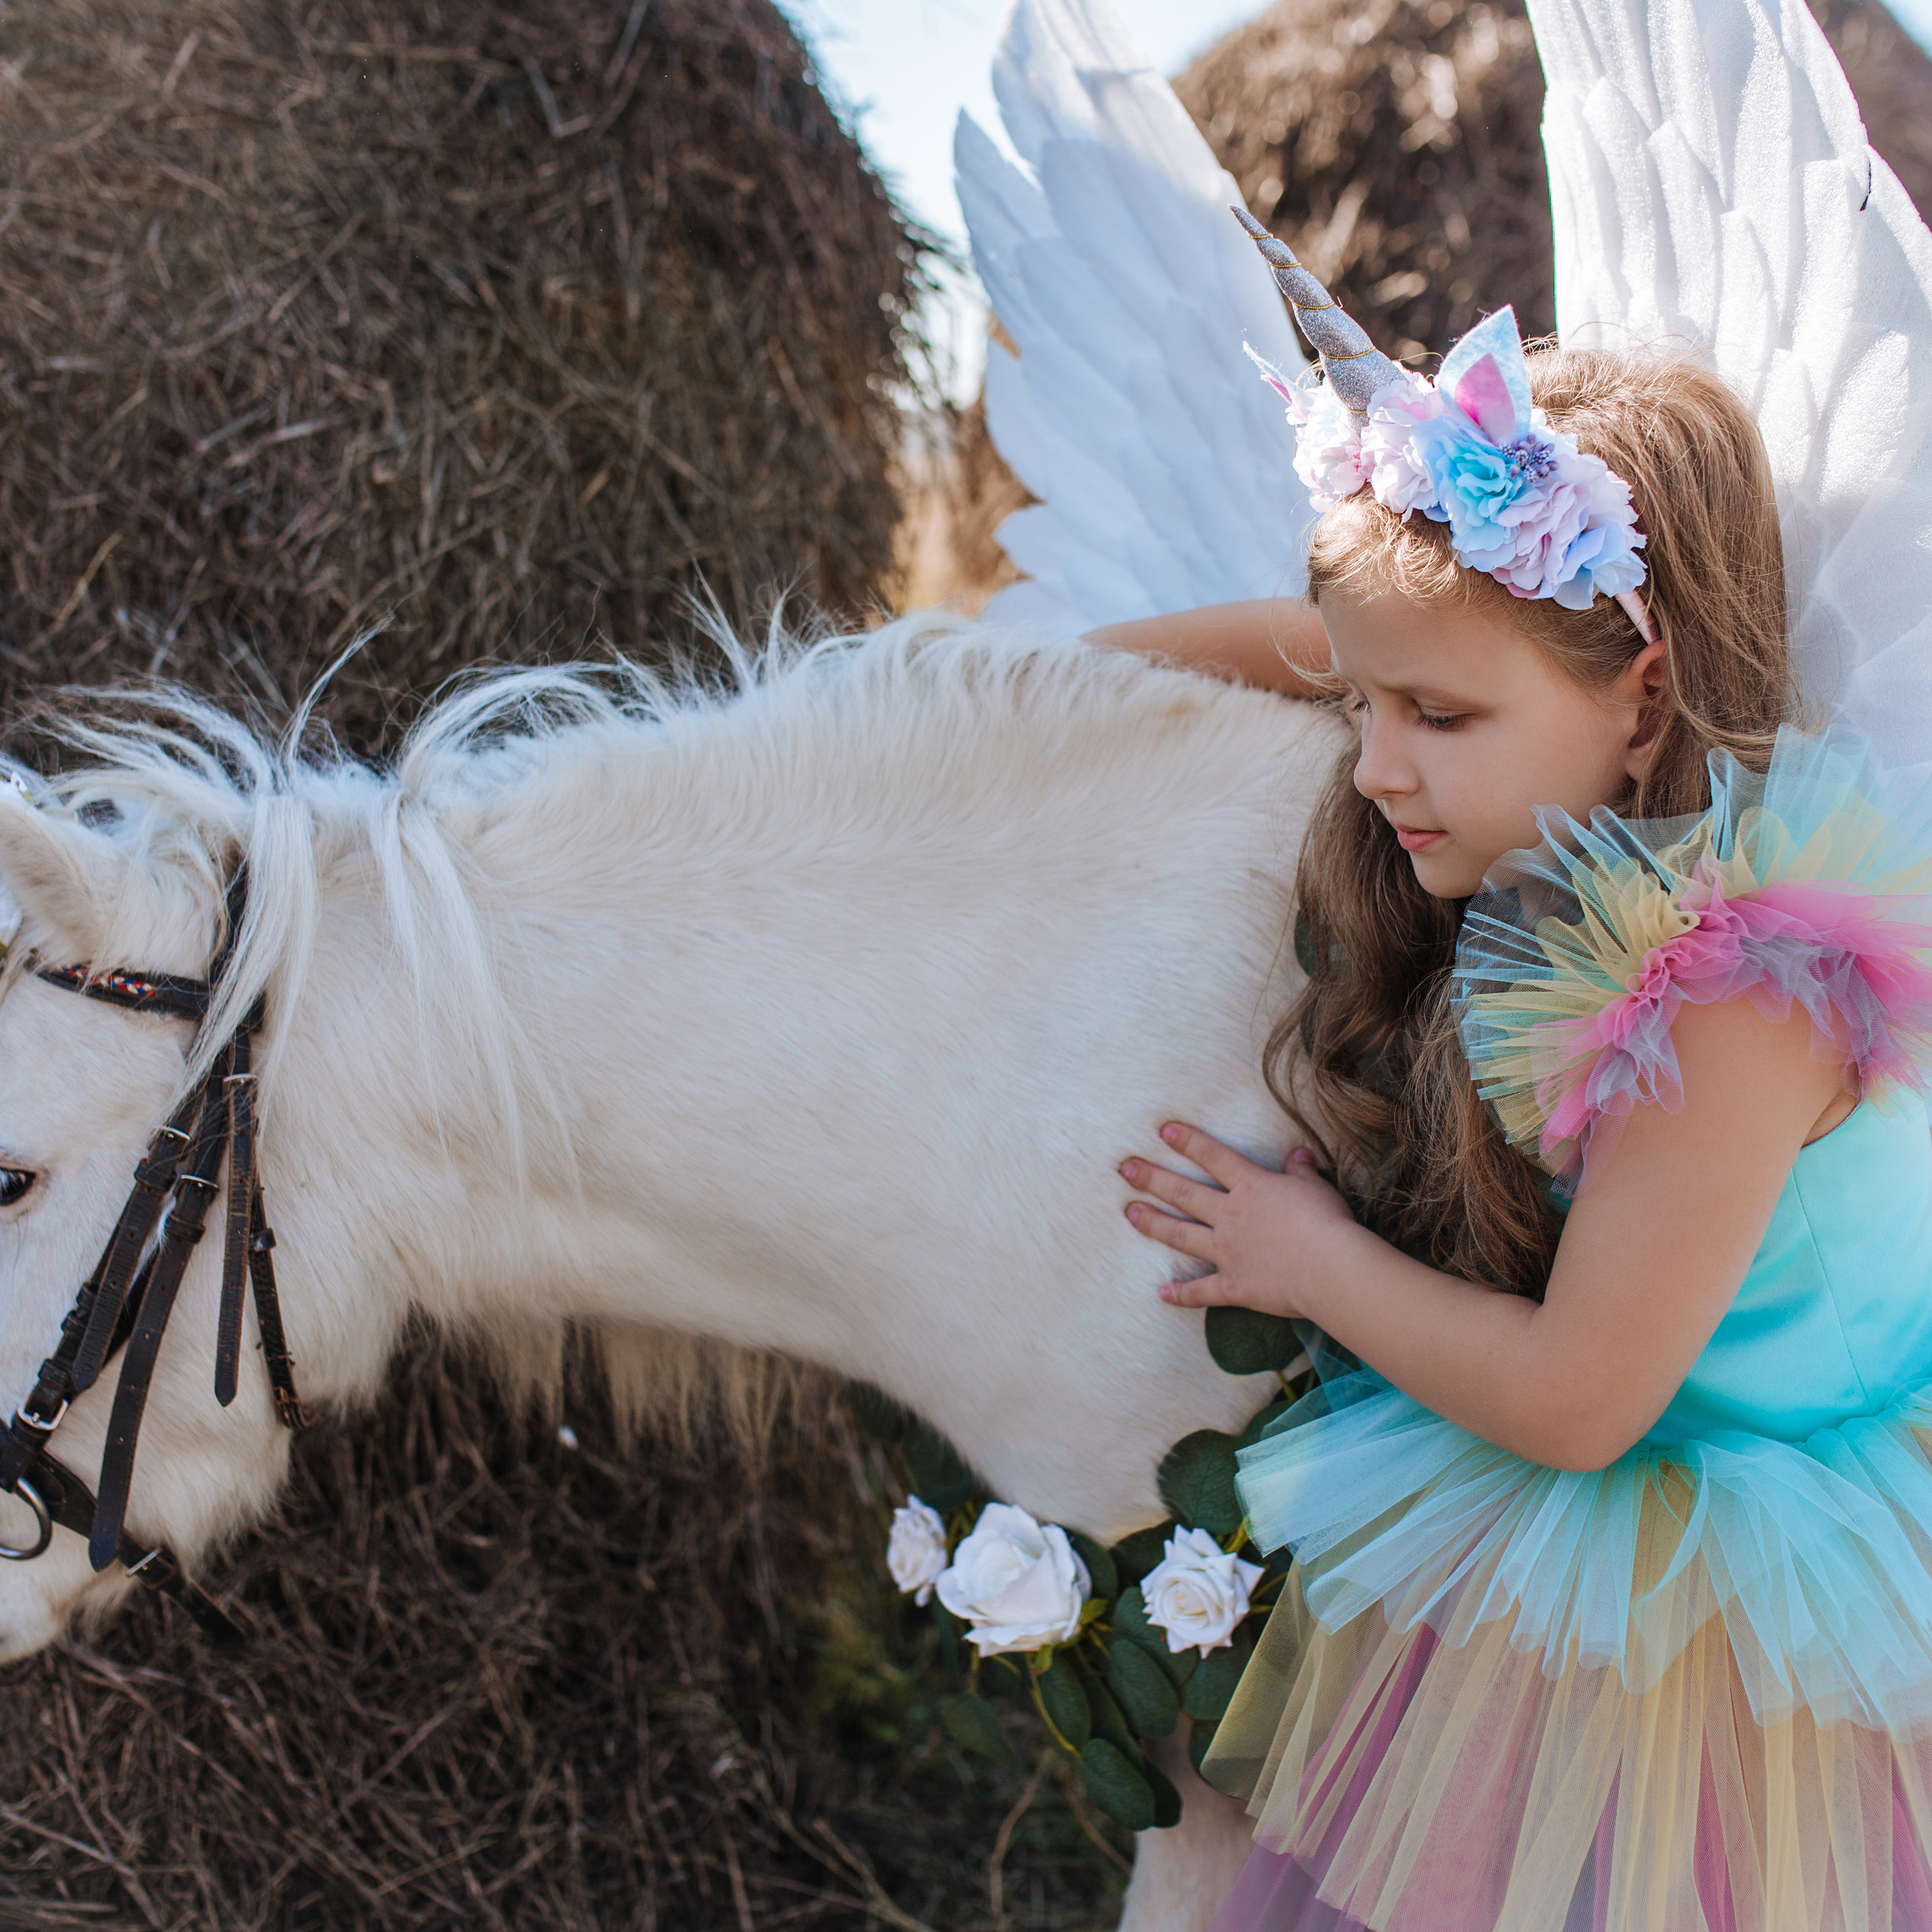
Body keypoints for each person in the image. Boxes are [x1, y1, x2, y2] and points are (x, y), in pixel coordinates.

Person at [1095, 226, 1932, 1929]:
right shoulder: (1571, 803)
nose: (1374, 765)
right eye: (1361, 707)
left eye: (1437, 719)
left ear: (1644, 699)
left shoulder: (1737, 997)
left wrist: (1311, 1261)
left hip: (1755, 1577)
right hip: (1647, 1487)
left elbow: (1573, 1404)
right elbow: (1309, 642)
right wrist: (1001, 680)